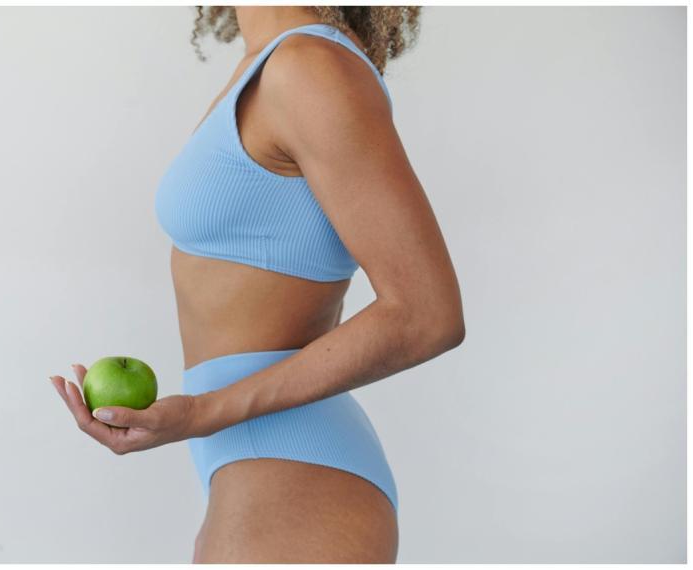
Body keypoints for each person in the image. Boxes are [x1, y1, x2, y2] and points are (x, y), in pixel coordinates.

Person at [50, 5, 465, 563]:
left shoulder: (309, 67)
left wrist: (201, 413)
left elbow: (427, 315)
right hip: (249, 463)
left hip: (294, 468)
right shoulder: (272, 61)